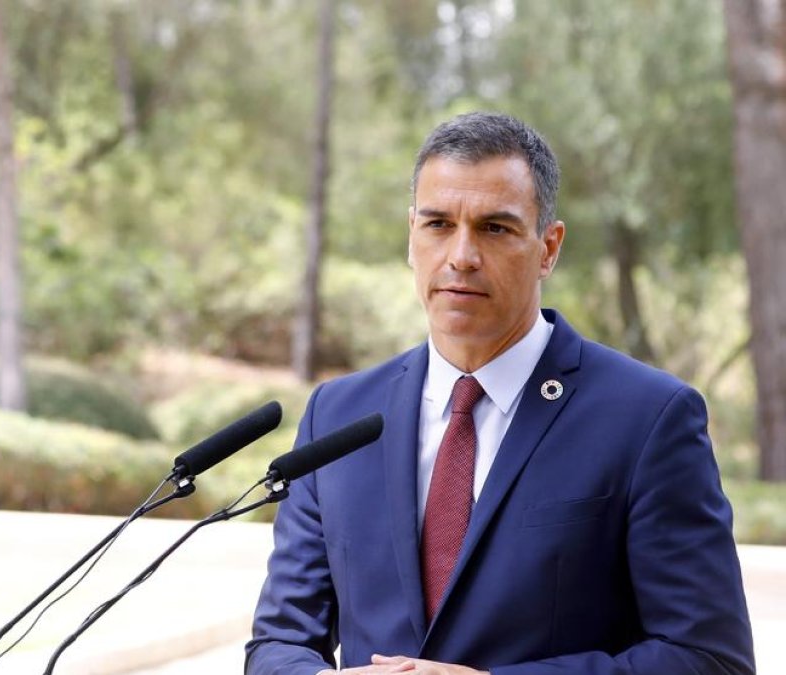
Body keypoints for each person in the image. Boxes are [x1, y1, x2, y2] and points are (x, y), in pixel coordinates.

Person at [246, 112, 754, 674]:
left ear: (548, 248)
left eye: (495, 228)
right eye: (438, 224)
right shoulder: (337, 416)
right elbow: (278, 644)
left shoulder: (649, 419)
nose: (461, 256)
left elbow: (709, 659)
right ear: (410, 237)